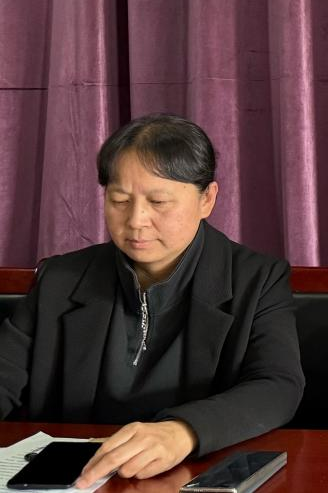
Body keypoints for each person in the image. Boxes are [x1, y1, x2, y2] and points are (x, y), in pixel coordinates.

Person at [0, 114, 305, 486]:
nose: (136, 220)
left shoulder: (257, 279)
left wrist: (183, 431)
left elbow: (278, 384)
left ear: (207, 198)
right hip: (77, 480)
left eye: (158, 201)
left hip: (191, 477)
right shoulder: (60, 279)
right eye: (119, 200)